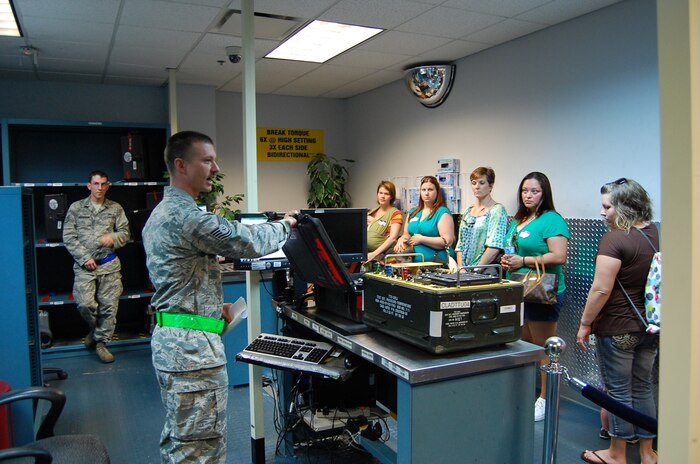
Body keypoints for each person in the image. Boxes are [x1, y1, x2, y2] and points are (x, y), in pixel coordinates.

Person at [142, 131, 296, 464]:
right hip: (192, 354)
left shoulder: (160, 213)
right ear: (182, 165)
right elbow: (248, 241)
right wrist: (287, 224)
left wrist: (212, 308)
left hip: (175, 340)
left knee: (182, 440)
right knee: (201, 450)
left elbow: (179, 275)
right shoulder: (188, 217)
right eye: (208, 160)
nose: (216, 168)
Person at [576, 178, 658, 464]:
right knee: (644, 386)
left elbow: (600, 289)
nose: (602, 213)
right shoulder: (655, 234)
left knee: (618, 391)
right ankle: (648, 453)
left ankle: (616, 453)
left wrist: (585, 323)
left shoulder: (614, 239)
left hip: (619, 328)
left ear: (624, 208)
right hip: (650, 327)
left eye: (607, 207)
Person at [500, 171, 569, 422]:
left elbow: (559, 256)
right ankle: (527, 393)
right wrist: (508, 260)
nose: (528, 195)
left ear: (544, 193)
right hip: (519, 289)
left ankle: (546, 399)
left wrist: (524, 260)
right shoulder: (519, 219)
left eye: (535, 191)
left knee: (544, 349)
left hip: (543, 291)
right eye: (525, 191)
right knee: (525, 345)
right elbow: (513, 250)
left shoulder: (551, 219)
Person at [63, 170, 130, 364]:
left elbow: (125, 232)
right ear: (89, 185)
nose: (99, 188)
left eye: (103, 184)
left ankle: (101, 343)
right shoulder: (77, 208)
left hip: (109, 265)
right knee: (85, 304)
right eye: (96, 184)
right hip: (85, 267)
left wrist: (114, 238)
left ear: (108, 186)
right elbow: (68, 236)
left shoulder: (115, 208)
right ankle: (95, 330)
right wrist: (84, 258)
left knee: (109, 307)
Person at [455, 167, 508, 272]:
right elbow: (460, 245)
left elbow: (495, 245)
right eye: (474, 183)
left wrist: (476, 270)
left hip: (485, 270)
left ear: (491, 185)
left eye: (481, 183)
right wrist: (461, 269)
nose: (477, 187)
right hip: (464, 270)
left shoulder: (497, 210)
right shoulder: (467, 211)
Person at [393, 175, 455, 262]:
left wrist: (422, 239)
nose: (426, 193)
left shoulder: (442, 212)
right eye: (423, 190)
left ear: (437, 192)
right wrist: (402, 239)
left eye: (430, 190)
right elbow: (406, 234)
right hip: (413, 264)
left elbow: (447, 242)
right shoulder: (413, 212)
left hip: (437, 263)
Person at [366, 180, 403, 263]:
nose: (382, 196)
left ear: (391, 196)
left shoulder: (396, 213)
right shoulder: (371, 212)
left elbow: (392, 238)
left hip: (384, 257)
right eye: (380, 193)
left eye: (386, 194)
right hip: (367, 255)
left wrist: (374, 253)